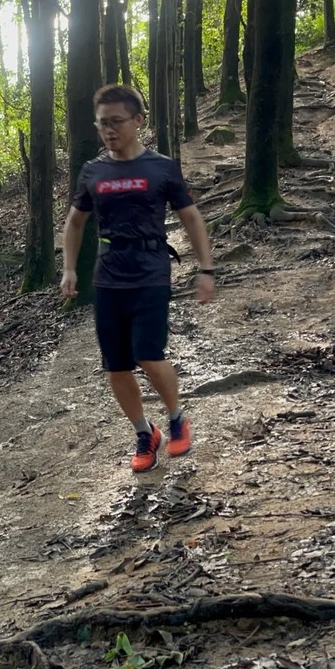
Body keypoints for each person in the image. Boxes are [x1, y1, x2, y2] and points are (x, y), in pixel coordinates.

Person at [61, 83, 214, 472]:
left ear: (138, 121)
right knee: (116, 364)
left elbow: (191, 217)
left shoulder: (162, 167)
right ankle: (146, 433)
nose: (109, 130)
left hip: (150, 269)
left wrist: (206, 268)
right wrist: (69, 268)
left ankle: (177, 419)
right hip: (108, 273)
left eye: (116, 121)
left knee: (148, 353)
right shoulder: (93, 171)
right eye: (102, 124)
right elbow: (75, 222)